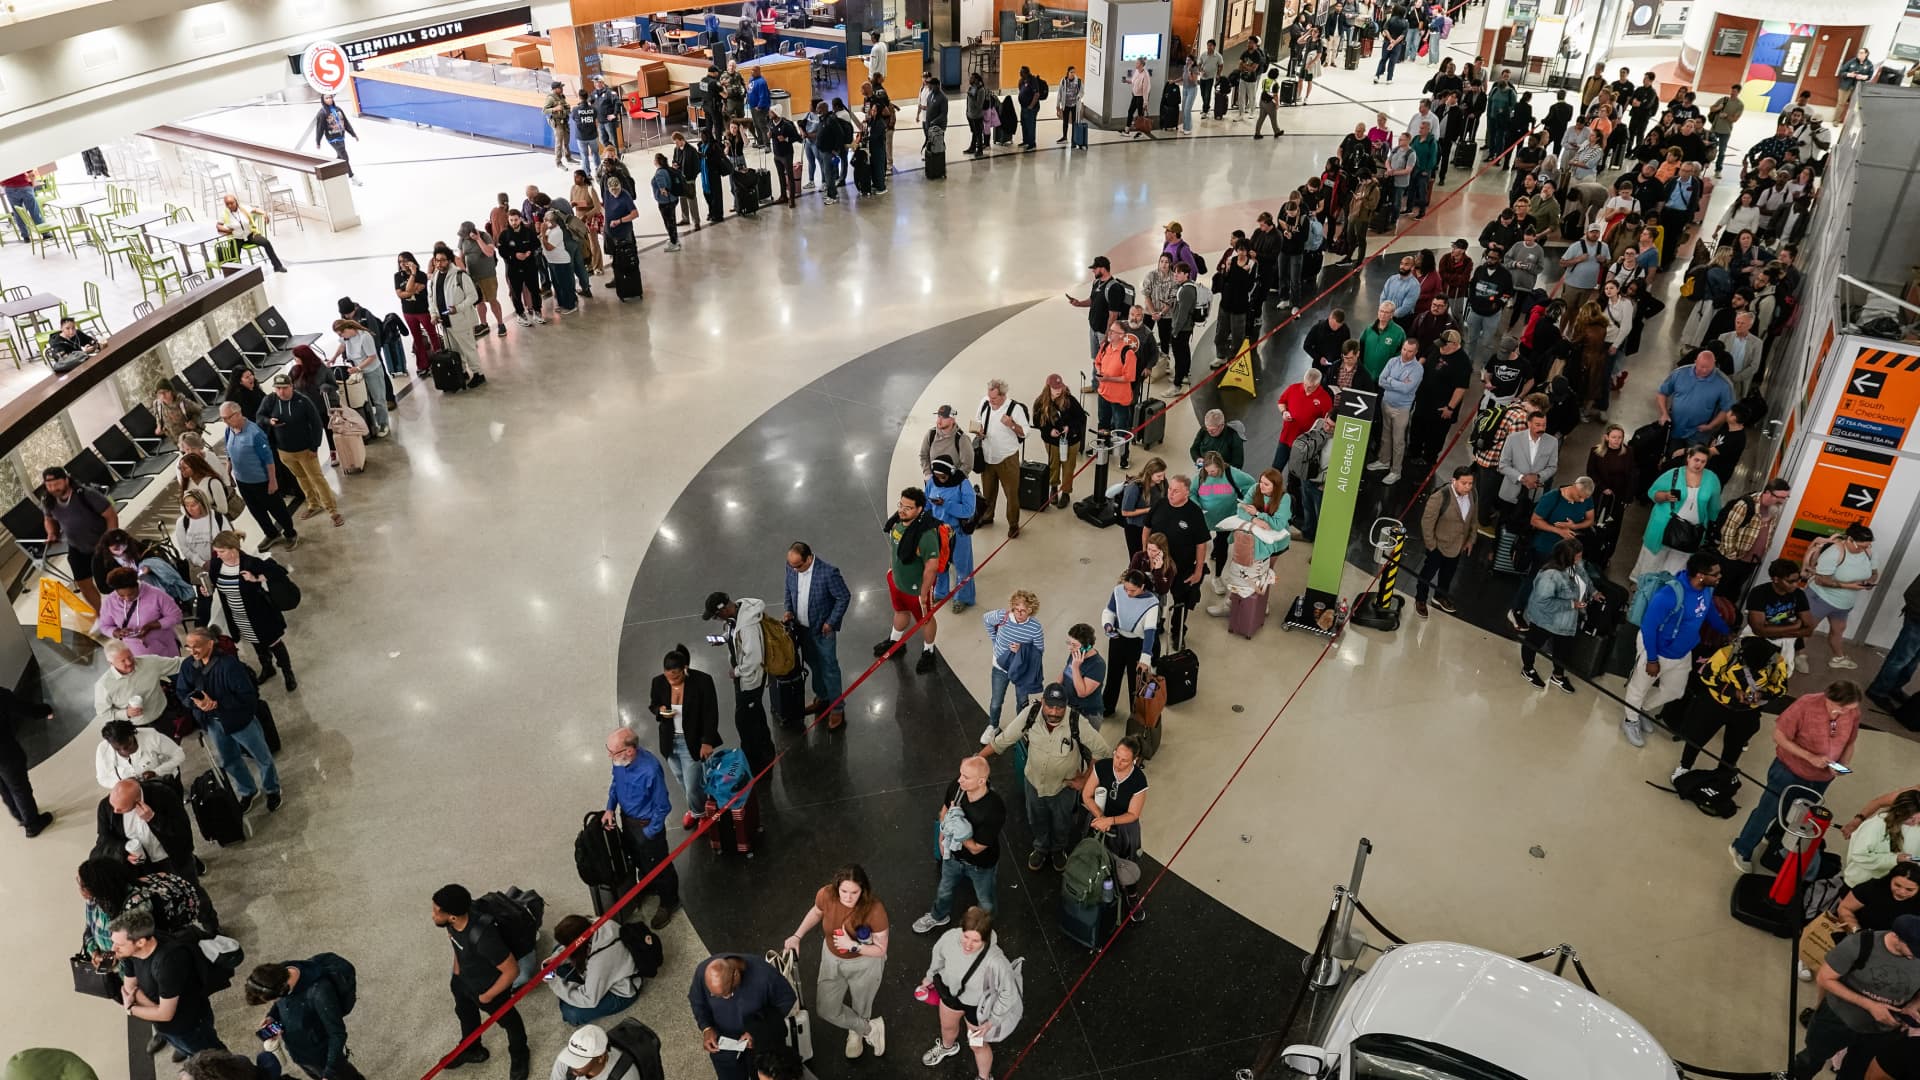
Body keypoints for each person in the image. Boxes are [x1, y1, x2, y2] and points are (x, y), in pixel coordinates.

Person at [986, 682, 1110, 872]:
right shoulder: (1031, 714)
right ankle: (1041, 848)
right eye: (1050, 706)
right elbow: (1004, 740)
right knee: (1036, 819)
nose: (1054, 712)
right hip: (1034, 784)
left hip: (1063, 789)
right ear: (1042, 702)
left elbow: (1102, 750)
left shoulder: (1076, 722)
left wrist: (1085, 780)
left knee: (1062, 822)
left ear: (1066, 706)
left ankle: (1058, 850)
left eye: (1059, 707)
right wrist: (978, 758)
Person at [1788, 915, 1920, 1079]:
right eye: (1913, 949)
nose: (1916, 956)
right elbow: (1825, 978)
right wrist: (1870, 1005)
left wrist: (1913, 1005)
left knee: (1856, 1073)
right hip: (1838, 1020)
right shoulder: (1861, 944)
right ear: (1896, 936)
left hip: (1881, 1031)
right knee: (1810, 1060)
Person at [780, 865, 889, 1059]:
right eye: (844, 891)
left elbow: (881, 949)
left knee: (861, 1005)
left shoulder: (875, 909)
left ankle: (856, 1033)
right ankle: (869, 1029)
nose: (847, 897)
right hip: (831, 957)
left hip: (864, 963)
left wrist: (852, 945)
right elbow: (816, 912)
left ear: (862, 890)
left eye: (854, 892)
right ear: (837, 887)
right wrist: (797, 936)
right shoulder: (826, 894)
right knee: (826, 1008)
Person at [1622, 552, 1729, 747]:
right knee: (1639, 687)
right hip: (1657, 649)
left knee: (1674, 691)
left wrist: (1725, 631)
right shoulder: (1669, 595)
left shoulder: (1706, 590)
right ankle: (1630, 719)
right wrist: (1652, 659)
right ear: (1701, 575)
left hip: (1683, 652)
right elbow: (1648, 627)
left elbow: (1708, 612)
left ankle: (1641, 709)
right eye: (1716, 574)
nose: (1720, 577)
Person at [176, 625, 283, 811]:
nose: (192, 651)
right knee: (229, 760)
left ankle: (272, 789)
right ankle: (248, 790)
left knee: (262, 756)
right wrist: (196, 703)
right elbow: (182, 692)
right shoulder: (188, 666)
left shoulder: (230, 665)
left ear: (210, 643)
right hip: (213, 723)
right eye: (188, 646)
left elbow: (247, 695)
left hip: (240, 721)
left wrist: (217, 704)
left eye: (197, 646)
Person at [432, 884, 532, 1080]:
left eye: (436, 912)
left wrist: (488, 995)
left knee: (511, 1023)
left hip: (489, 989)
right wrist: (457, 973)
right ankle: (472, 1049)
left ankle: (520, 1054)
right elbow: (455, 943)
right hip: (464, 982)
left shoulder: (484, 937)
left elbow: (512, 971)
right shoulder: (451, 924)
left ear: (452, 916)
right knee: (465, 1013)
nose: (433, 916)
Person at [917, 907, 1023, 1079]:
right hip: (951, 996)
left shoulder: (996, 960)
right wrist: (929, 978)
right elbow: (938, 958)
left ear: (986, 938)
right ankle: (947, 1047)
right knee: (947, 1027)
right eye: (966, 936)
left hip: (977, 1008)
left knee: (977, 1045)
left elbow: (1008, 993)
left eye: (976, 941)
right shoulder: (950, 938)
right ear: (961, 929)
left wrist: (992, 1021)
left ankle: (984, 1077)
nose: (968, 944)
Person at [112, 908, 227, 1060]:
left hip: (189, 1027)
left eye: (119, 944)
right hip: (169, 1027)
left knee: (217, 1061)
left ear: (140, 941)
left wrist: (131, 1008)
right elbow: (130, 989)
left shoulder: (169, 963)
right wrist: (152, 1008)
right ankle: (187, 1052)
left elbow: (165, 1014)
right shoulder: (132, 951)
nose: (113, 949)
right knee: (191, 1052)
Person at [600, 728, 682, 929]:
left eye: (613, 752)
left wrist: (649, 833)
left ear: (629, 751)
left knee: (659, 867)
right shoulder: (620, 762)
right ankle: (649, 884)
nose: (610, 756)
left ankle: (669, 901)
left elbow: (663, 807)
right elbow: (615, 785)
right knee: (636, 859)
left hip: (647, 827)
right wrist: (610, 808)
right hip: (628, 822)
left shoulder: (650, 770)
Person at [912, 756, 1005, 932]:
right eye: (961, 773)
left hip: (981, 865)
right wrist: (941, 838)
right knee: (944, 890)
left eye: (966, 777)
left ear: (981, 781)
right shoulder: (958, 787)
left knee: (986, 900)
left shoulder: (994, 809)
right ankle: (938, 915)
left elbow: (977, 848)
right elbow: (945, 810)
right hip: (953, 858)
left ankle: (982, 930)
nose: (960, 779)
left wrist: (959, 832)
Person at [201, 533, 298, 690]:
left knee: (274, 643)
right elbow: (213, 584)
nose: (217, 555)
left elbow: (279, 571)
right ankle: (268, 668)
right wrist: (208, 591)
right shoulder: (217, 564)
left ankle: (287, 672)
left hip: (260, 614)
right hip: (238, 615)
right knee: (256, 642)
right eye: (216, 552)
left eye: (221, 551)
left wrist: (256, 578)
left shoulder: (250, 563)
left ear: (233, 550)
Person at [243, 955, 363, 1080]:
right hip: (299, 1053)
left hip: (322, 1057)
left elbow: (337, 1034)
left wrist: (330, 1072)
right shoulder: (280, 976)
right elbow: (280, 1005)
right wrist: (272, 1017)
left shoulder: (319, 993)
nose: (275, 1001)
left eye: (274, 998)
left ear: (283, 990)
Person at [701, 593, 777, 788]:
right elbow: (736, 637)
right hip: (744, 679)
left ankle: (757, 763)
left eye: (717, 616)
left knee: (745, 722)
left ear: (725, 609)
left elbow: (753, 658)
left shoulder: (748, 626)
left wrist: (737, 672)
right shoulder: (737, 615)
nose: (718, 620)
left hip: (750, 680)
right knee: (755, 715)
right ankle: (767, 751)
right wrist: (723, 639)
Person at [688, 953, 797, 1080]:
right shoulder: (703, 971)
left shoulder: (765, 975)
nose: (724, 999)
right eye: (714, 995)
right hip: (724, 1046)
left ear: (736, 975)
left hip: (759, 1045)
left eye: (726, 993)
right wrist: (706, 1027)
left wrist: (757, 1031)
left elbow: (787, 1000)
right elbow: (697, 1001)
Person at [258, 374, 341, 529]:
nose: (281, 392)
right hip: (284, 451)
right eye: (278, 389)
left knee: (317, 479)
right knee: (301, 478)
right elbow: (259, 417)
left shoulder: (303, 401)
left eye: (284, 388)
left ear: (291, 387)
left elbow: (317, 424)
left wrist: (314, 447)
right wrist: (269, 421)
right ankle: (313, 503)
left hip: (305, 451)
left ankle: (333, 511)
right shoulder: (270, 400)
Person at [782, 542, 849, 728]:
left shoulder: (828, 573)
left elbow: (843, 597)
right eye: (792, 566)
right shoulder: (791, 567)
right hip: (802, 629)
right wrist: (788, 610)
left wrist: (831, 622)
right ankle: (822, 697)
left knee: (829, 668)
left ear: (809, 558)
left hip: (822, 630)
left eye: (798, 566)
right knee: (814, 664)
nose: (794, 570)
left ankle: (837, 709)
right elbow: (788, 589)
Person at [1083, 734, 1150, 920]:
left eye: (1124, 760)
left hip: (1123, 828)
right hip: (1099, 819)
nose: (1118, 762)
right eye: (1116, 756)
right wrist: (1100, 816)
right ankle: (1099, 888)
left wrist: (1109, 821)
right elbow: (1086, 795)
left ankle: (1131, 897)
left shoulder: (1139, 780)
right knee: (1097, 859)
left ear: (1134, 761)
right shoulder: (1102, 766)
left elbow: (1133, 814)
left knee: (1126, 864)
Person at [876, 489, 944, 673]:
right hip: (897, 582)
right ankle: (895, 641)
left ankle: (929, 651)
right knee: (900, 611)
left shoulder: (926, 535)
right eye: (901, 505)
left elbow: (931, 566)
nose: (902, 510)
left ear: (919, 509)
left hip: (917, 590)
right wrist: (891, 570)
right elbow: (894, 549)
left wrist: (924, 592)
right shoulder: (897, 523)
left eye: (908, 508)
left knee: (926, 620)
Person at [1634, 445, 1722, 579]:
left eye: (1703, 461)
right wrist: (1665, 496)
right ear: (1688, 458)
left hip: (1691, 532)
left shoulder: (1712, 479)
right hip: (1664, 527)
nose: (1699, 464)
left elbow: (1714, 507)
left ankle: (1664, 590)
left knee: (1677, 567)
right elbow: (1652, 492)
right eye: (1696, 460)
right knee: (1652, 559)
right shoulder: (1673, 474)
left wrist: (1712, 528)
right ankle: (1641, 584)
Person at [40, 465, 117, 611]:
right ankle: (102, 614)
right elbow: (48, 518)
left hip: (101, 544)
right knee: (83, 584)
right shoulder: (48, 500)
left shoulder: (86, 494)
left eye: (56, 484)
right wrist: (51, 533)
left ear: (66, 480)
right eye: (49, 485)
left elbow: (110, 514)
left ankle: (124, 608)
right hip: (77, 547)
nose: (53, 488)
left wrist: (111, 540)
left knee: (112, 580)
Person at [1146, 476, 1209, 652]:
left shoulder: (1194, 513)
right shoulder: (1160, 504)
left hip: (1182, 568)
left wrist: (1198, 571)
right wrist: (1146, 554)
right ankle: (1156, 625)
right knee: (1154, 598)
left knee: (1181, 604)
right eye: (1169, 490)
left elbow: (1201, 544)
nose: (1170, 494)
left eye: (1176, 491)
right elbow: (1146, 528)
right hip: (1157, 567)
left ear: (1187, 492)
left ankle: (1177, 632)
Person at [542, 914, 641, 1025]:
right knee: (557, 950)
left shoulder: (599, 962)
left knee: (571, 1013)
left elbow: (589, 999)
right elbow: (570, 948)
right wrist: (556, 959)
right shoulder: (594, 922)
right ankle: (571, 990)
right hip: (604, 971)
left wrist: (553, 981)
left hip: (622, 992)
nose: (565, 949)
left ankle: (570, 991)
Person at [1519, 540, 1590, 692]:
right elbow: (1543, 603)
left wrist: (1594, 592)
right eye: (1577, 557)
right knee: (1533, 643)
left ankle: (1558, 676)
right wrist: (1571, 604)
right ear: (1567, 557)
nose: (1580, 560)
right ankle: (1528, 669)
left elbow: (1584, 578)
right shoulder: (1550, 576)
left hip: (1565, 622)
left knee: (1562, 649)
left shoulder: (1575, 567)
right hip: (1545, 620)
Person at [1808, 523, 1882, 671]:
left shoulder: (1868, 552)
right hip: (1820, 597)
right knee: (1806, 629)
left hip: (1843, 602)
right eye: (1860, 546)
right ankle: (1796, 654)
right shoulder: (1834, 553)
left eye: (1866, 546)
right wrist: (1850, 586)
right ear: (1849, 539)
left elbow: (1874, 573)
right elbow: (1821, 580)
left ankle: (1838, 657)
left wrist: (1869, 582)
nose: (1863, 549)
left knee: (1838, 629)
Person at [1713, 479, 1791, 602]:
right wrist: (1731, 555)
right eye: (1779, 497)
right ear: (1767, 493)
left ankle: (1726, 617)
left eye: (1785, 498)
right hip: (1732, 559)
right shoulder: (1746, 504)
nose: (1782, 501)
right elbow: (1728, 530)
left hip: (1751, 561)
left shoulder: (1774, 508)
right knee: (1719, 592)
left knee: (1732, 594)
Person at [1414, 466, 1476, 618]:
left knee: (1448, 574)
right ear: (1454, 481)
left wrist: (1470, 540)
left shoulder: (1473, 493)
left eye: (1470, 483)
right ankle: (1420, 599)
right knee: (1427, 574)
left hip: (1458, 546)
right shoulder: (1440, 497)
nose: (1468, 487)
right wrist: (1432, 546)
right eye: (1464, 483)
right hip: (1438, 546)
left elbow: (1473, 517)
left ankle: (1440, 596)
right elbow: (1426, 523)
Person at [971, 380, 1030, 538]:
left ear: (1003, 395)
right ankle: (987, 516)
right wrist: (979, 431)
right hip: (987, 456)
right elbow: (977, 420)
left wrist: (1011, 425)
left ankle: (1013, 524)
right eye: (989, 397)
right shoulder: (985, 402)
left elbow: (1025, 432)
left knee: (1011, 494)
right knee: (988, 491)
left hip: (1007, 459)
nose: (991, 401)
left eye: (994, 399)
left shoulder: (1015, 409)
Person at [1101, 569, 1161, 718]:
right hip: (1117, 639)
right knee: (1113, 675)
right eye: (1126, 588)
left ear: (1142, 587)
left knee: (1136, 682)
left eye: (1132, 590)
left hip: (1137, 643)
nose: (1128, 593)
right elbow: (1109, 611)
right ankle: (1107, 706)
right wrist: (1108, 625)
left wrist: (1145, 657)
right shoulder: (1118, 591)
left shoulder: (1152, 603)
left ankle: (1137, 714)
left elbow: (1149, 632)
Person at [0, 684, 54, 838]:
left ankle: (19, 814)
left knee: (4, 787)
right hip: (5, 751)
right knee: (18, 786)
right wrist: (47, 709)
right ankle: (32, 824)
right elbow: (27, 710)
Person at [925, 457, 978, 614]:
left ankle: (963, 597)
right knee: (940, 564)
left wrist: (946, 505)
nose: (940, 480)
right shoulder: (932, 482)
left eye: (943, 477)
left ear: (950, 473)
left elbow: (969, 510)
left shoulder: (963, 484)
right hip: (938, 531)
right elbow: (927, 503)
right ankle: (941, 592)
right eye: (937, 476)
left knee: (962, 566)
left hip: (958, 532)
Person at [94, 566, 183, 658]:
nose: (127, 598)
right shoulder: (110, 601)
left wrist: (151, 626)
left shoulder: (156, 594)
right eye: (122, 595)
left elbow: (176, 615)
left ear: (137, 585)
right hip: (134, 655)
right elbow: (104, 626)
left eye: (131, 594)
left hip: (164, 651)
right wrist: (117, 632)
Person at [427, 248, 485, 386]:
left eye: (442, 260)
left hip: (461, 320)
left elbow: (473, 296)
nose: (439, 263)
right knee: (454, 349)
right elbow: (432, 298)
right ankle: (461, 372)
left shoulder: (460, 275)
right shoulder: (435, 277)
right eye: (437, 260)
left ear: (449, 260)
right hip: (445, 322)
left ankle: (478, 374)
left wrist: (458, 308)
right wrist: (434, 314)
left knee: (468, 349)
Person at [1658, 351, 1735, 453]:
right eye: (1701, 366)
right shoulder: (1679, 373)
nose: (1704, 370)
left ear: (1715, 364)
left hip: (1700, 433)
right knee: (1672, 456)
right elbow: (1662, 393)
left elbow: (1726, 409)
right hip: (1675, 427)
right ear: (1695, 362)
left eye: (1708, 367)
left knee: (1694, 460)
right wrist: (1664, 413)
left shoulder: (1724, 384)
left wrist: (1711, 426)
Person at [93, 641, 183, 729]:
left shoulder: (150, 662)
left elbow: (178, 663)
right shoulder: (103, 685)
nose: (129, 662)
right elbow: (103, 714)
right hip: (134, 727)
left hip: (163, 716)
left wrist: (196, 657)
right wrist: (126, 713)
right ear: (111, 663)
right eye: (123, 661)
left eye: (130, 657)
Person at [1843, 790, 1920, 889]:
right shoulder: (1875, 826)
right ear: (1899, 812)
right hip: (1861, 884)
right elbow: (1859, 855)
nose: (1915, 823)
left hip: (1888, 885)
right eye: (1912, 819)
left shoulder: (1914, 826)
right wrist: (1895, 859)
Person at [1867, 574, 1920, 714]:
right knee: (1900, 659)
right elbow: (1911, 594)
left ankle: (1894, 688)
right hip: (1917, 621)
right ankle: (1878, 691)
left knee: (1913, 662)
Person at [1033, 374, 1087, 509]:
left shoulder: (1069, 400)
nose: (1058, 390)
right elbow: (1037, 422)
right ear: (1048, 387)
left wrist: (1070, 428)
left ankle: (1066, 492)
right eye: (1055, 388)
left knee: (1069, 467)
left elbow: (1081, 418)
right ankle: (1054, 487)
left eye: (1060, 387)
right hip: (1052, 442)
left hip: (1071, 441)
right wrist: (1049, 431)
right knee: (1053, 465)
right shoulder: (1041, 403)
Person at [95, 718, 185, 789]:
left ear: (132, 735)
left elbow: (179, 755)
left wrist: (156, 772)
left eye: (127, 745)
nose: (124, 751)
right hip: (136, 792)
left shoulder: (151, 736)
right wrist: (123, 784)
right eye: (117, 749)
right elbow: (102, 778)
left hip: (165, 781)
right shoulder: (103, 749)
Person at [1273, 369, 1333, 473]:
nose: (1306, 388)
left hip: (1304, 444)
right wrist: (1284, 412)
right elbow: (1281, 402)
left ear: (1317, 384)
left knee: (1295, 474)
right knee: (1275, 469)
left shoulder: (1325, 399)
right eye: (1305, 384)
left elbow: (1326, 422)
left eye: (1310, 387)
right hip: (1286, 438)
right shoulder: (1293, 388)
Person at [214, 194, 287, 273]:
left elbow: (255, 210)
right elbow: (218, 225)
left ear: (236, 202)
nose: (230, 205)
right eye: (227, 204)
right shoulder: (224, 213)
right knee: (234, 257)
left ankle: (277, 266)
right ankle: (238, 274)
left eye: (232, 203)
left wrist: (264, 213)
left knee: (266, 243)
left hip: (250, 234)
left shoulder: (243, 208)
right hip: (236, 238)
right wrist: (227, 230)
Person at [310, 94, 359, 182]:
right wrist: (318, 141)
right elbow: (319, 128)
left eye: (330, 97)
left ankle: (329, 168)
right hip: (333, 139)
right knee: (345, 157)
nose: (329, 99)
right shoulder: (322, 113)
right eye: (327, 98)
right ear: (323, 100)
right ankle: (352, 176)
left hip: (341, 137)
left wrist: (353, 134)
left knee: (340, 157)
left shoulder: (338, 109)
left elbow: (346, 123)